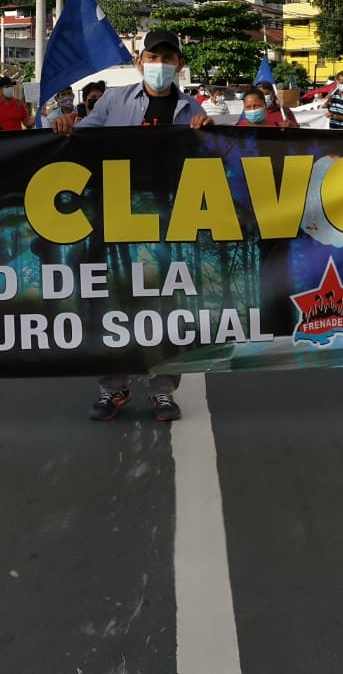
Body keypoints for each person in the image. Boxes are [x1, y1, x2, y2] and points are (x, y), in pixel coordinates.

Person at [51, 29, 215, 423]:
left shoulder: (193, 109)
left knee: (169, 307)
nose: (161, 64)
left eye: (169, 57)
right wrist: (65, 126)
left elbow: (214, 157)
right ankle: (113, 387)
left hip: (171, 221)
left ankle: (163, 391)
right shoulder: (114, 101)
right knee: (114, 305)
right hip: (116, 221)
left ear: (179, 64)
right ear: (140, 62)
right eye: (153, 57)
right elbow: (81, 139)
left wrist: (209, 135)